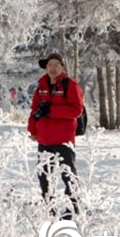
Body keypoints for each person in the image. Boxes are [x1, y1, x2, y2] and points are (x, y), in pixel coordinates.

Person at [28, 52, 84, 220]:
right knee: (44, 176)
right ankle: (49, 208)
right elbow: (34, 110)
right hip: (44, 140)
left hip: (63, 140)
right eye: (49, 65)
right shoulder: (41, 87)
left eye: (56, 65)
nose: (52, 68)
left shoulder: (70, 85)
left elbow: (77, 110)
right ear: (46, 68)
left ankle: (74, 208)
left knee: (68, 175)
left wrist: (51, 111)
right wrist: (33, 131)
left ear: (62, 67)